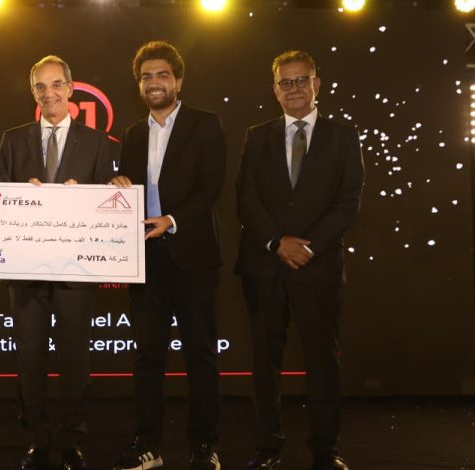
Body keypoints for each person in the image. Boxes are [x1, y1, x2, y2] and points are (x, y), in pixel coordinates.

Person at [235, 50, 364, 470]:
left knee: (323, 362)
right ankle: (267, 448)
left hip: (317, 266)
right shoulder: (257, 136)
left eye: (301, 80)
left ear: (316, 84)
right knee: (264, 363)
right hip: (264, 267)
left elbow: (348, 202)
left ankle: (325, 451)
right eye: (285, 82)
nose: (293, 88)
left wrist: (307, 247)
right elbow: (246, 197)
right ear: (275, 90)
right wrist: (277, 242)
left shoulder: (343, 136)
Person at [110, 41, 226, 470]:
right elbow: (129, 188)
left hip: (193, 256)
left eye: (162, 75)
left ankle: (204, 445)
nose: (154, 83)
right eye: (146, 77)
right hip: (145, 259)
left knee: (200, 355)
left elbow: (212, 187)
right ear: (138, 84)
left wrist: (172, 220)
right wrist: (118, 186)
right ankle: (148, 445)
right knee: (147, 357)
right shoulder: (133, 134)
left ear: (178, 80)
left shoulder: (205, 124)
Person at [0, 55, 114, 470]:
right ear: (33, 92)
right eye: (41, 86)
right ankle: (37, 439)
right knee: (29, 357)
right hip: (25, 269)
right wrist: (21, 195)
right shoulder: (13, 140)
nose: (50, 93)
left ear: (71, 87)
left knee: (75, 356)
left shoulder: (97, 143)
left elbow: (106, 205)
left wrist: (86, 195)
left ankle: (72, 439)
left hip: (77, 269)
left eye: (57, 84)